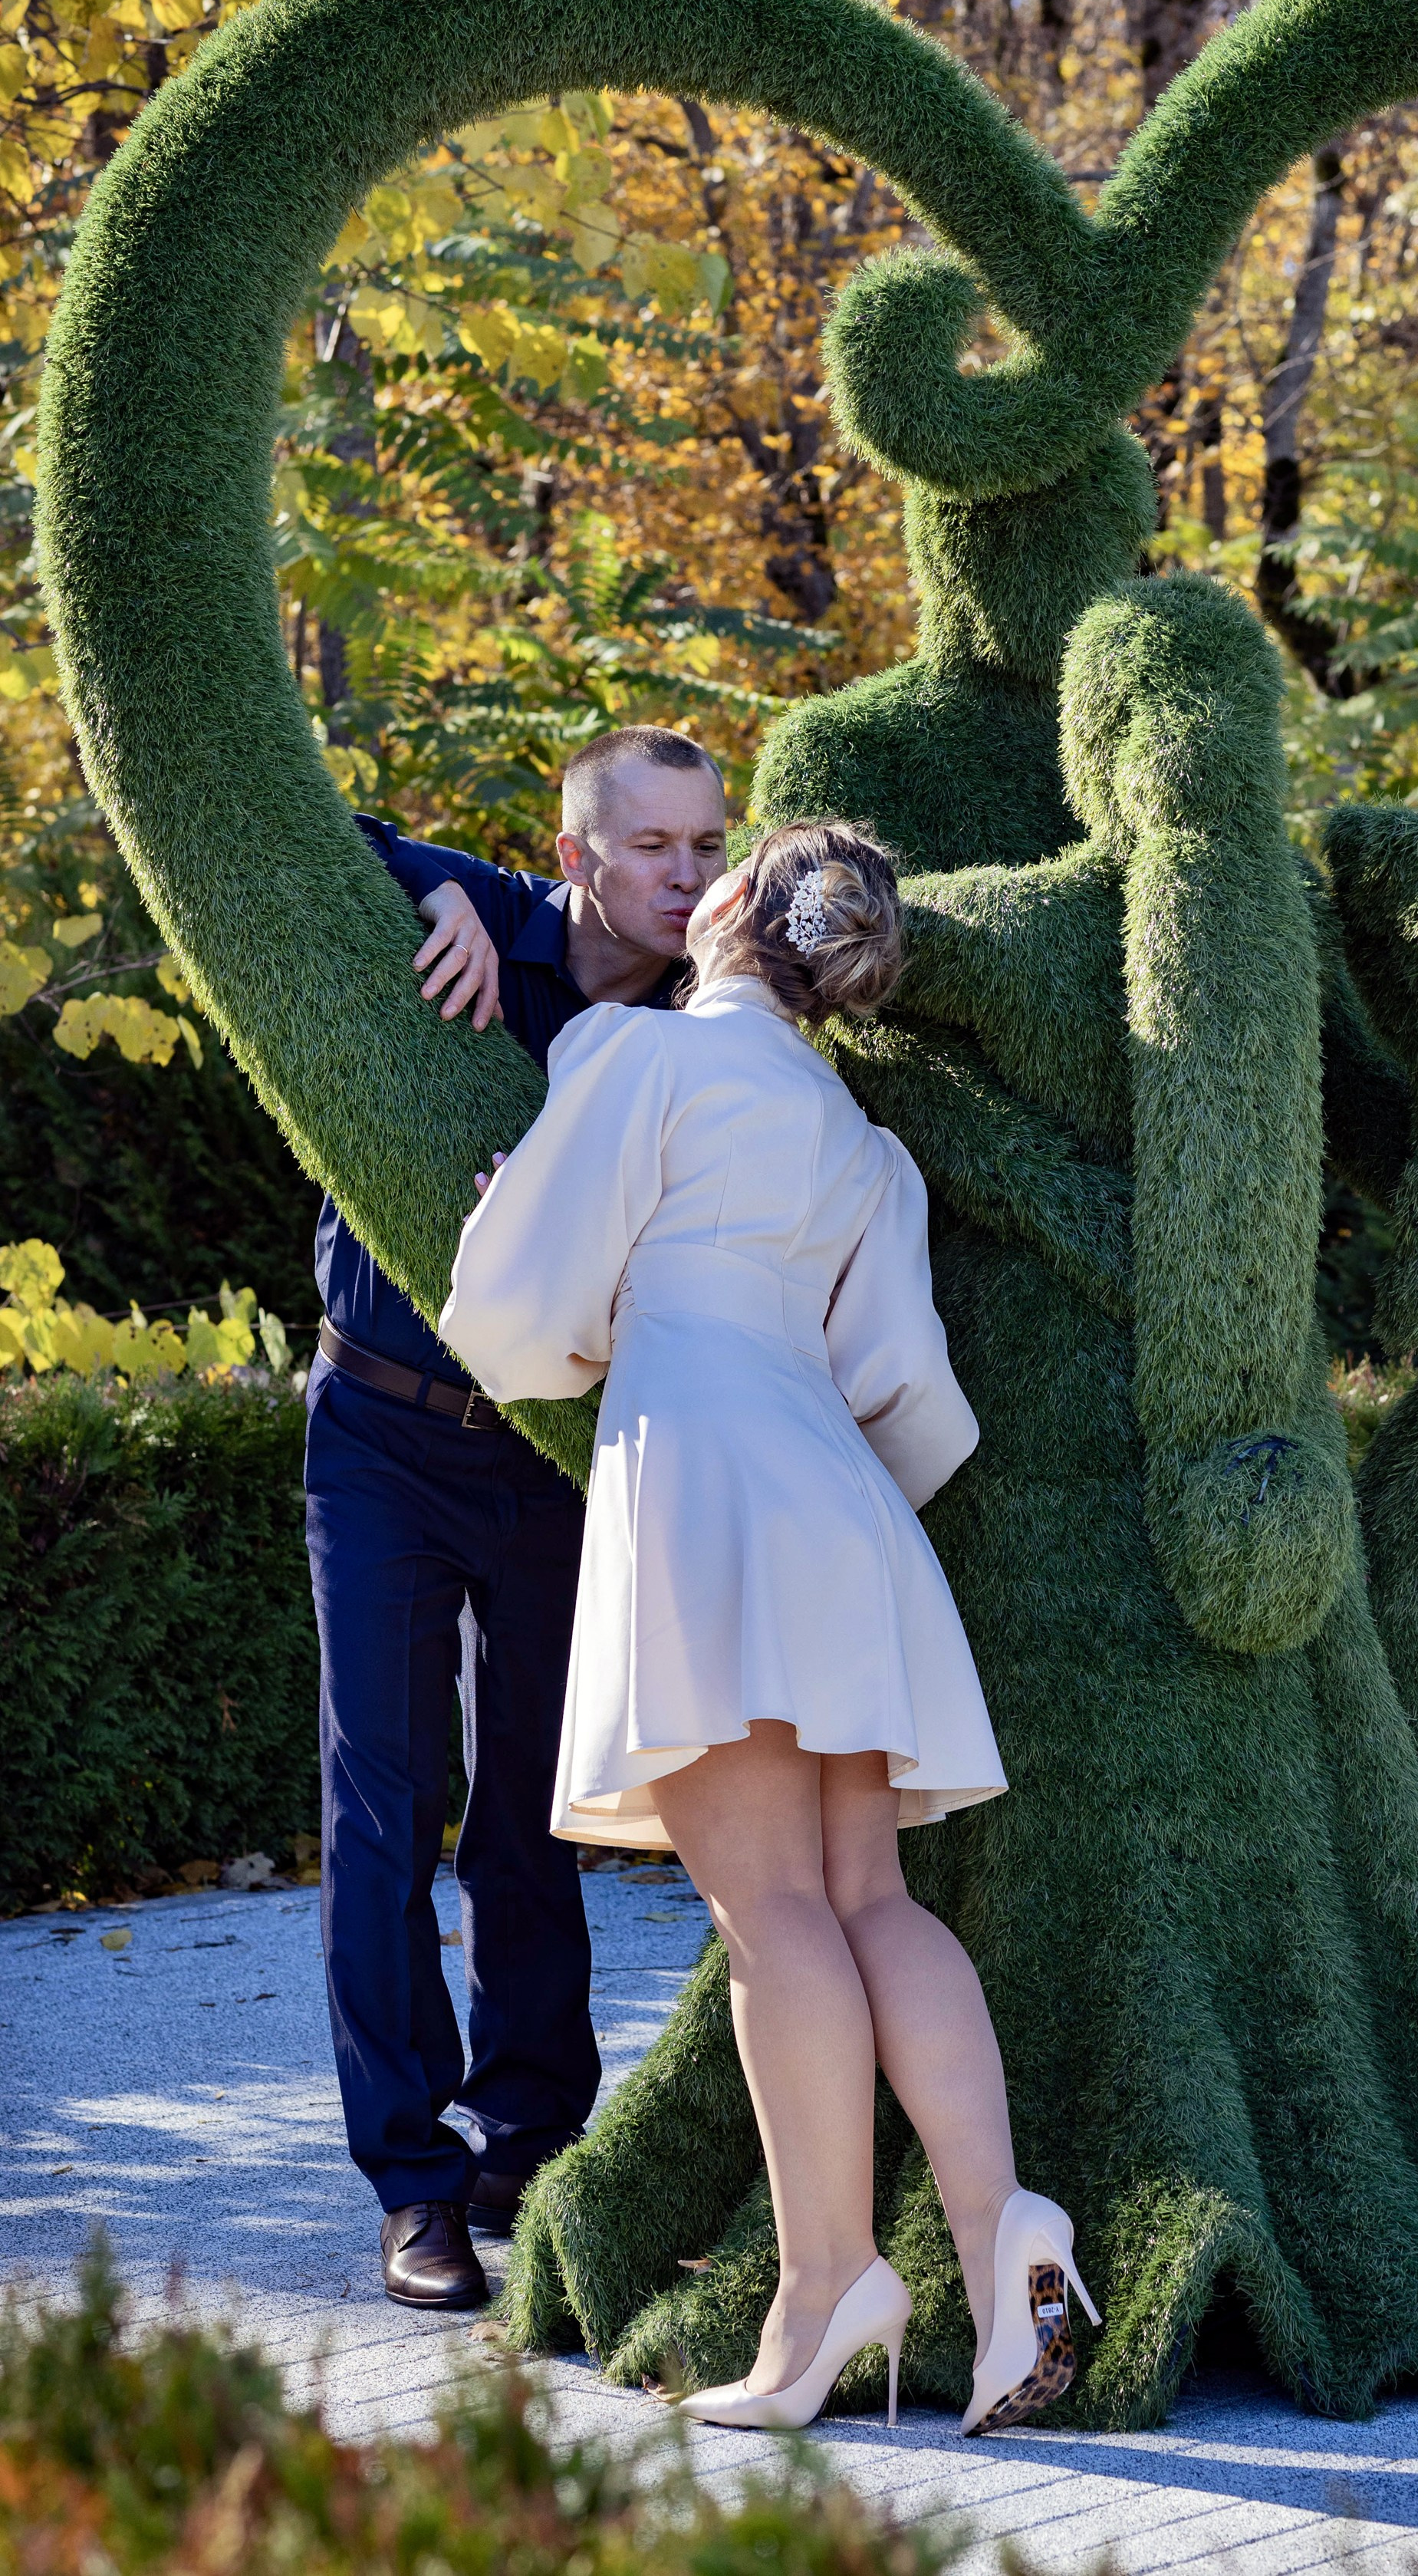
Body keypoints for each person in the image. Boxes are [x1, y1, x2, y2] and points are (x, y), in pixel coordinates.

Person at [439, 819, 1100, 2434]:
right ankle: (1002, 2225)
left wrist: (504, 1224)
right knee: (869, 1892)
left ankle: (827, 2286)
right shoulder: (864, 1145)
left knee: (772, 1910)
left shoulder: (632, 1056)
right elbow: (913, 1397)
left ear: (732, 911)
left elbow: (523, 1309)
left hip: (706, 1478)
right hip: (843, 1504)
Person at [306, 726, 730, 2311]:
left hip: (558, 1450)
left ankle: (531, 2130)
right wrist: (439, 901)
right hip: (381, 1437)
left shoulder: (713, 1026)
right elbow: (306, 829)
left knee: (545, 1805)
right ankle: (412, 2186)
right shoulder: (470, 906)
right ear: (577, 857)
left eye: (705, 844)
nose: (685, 876)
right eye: (652, 847)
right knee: (383, 1804)